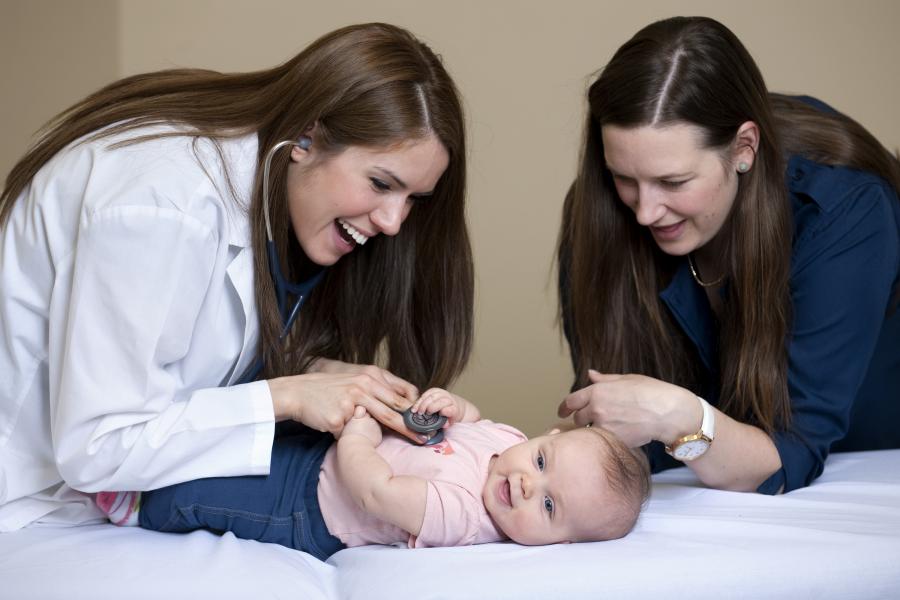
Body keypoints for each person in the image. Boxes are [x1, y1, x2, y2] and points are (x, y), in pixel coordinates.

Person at [0, 23, 475, 532]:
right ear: (307, 139)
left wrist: (310, 370)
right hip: (26, 498)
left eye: (412, 200)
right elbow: (96, 448)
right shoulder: (161, 206)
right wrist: (287, 396)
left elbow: (176, 366)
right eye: (381, 184)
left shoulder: (256, 192)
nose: (393, 222)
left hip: (94, 498)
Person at [555, 16, 900, 495]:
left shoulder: (845, 210)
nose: (644, 212)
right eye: (625, 178)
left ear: (743, 148)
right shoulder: (600, 211)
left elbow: (787, 458)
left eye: (674, 182)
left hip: (869, 458)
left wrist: (677, 416)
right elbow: (622, 431)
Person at [96, 389, 651, 559]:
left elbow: (376, 491)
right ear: (544, 440)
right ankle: (145, 451)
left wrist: (358, 437)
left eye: (549, 508)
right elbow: (478, 421)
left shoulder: (463, 515)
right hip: (324, 452)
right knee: (231, 442)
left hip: (311, 509)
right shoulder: (509, 445)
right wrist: (456, 408)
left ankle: (140, 504)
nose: (529, 485)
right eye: (542, 463)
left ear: (562, 543)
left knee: (218, 496)